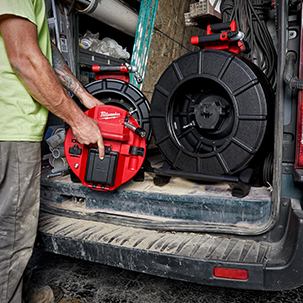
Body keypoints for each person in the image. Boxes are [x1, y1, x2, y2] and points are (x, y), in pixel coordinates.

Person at [0, 0, 105, 302]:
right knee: (11, 237)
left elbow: (46, 54)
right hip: (10, 129)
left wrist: (83, 95)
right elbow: (25, 59)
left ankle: (21, 289)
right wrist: (78, 121)